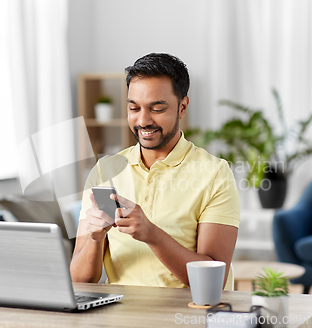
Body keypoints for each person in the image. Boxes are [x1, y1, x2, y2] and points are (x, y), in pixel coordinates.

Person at [70, 53, 240, 289]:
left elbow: (214, 281)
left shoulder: (215, 174)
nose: (143, 120)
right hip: (118, 317)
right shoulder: (105, 171)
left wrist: (152, 235)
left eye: (157, 109)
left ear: (182, 107)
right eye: (134, 108)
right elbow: (79, 280)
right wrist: (95, 238)